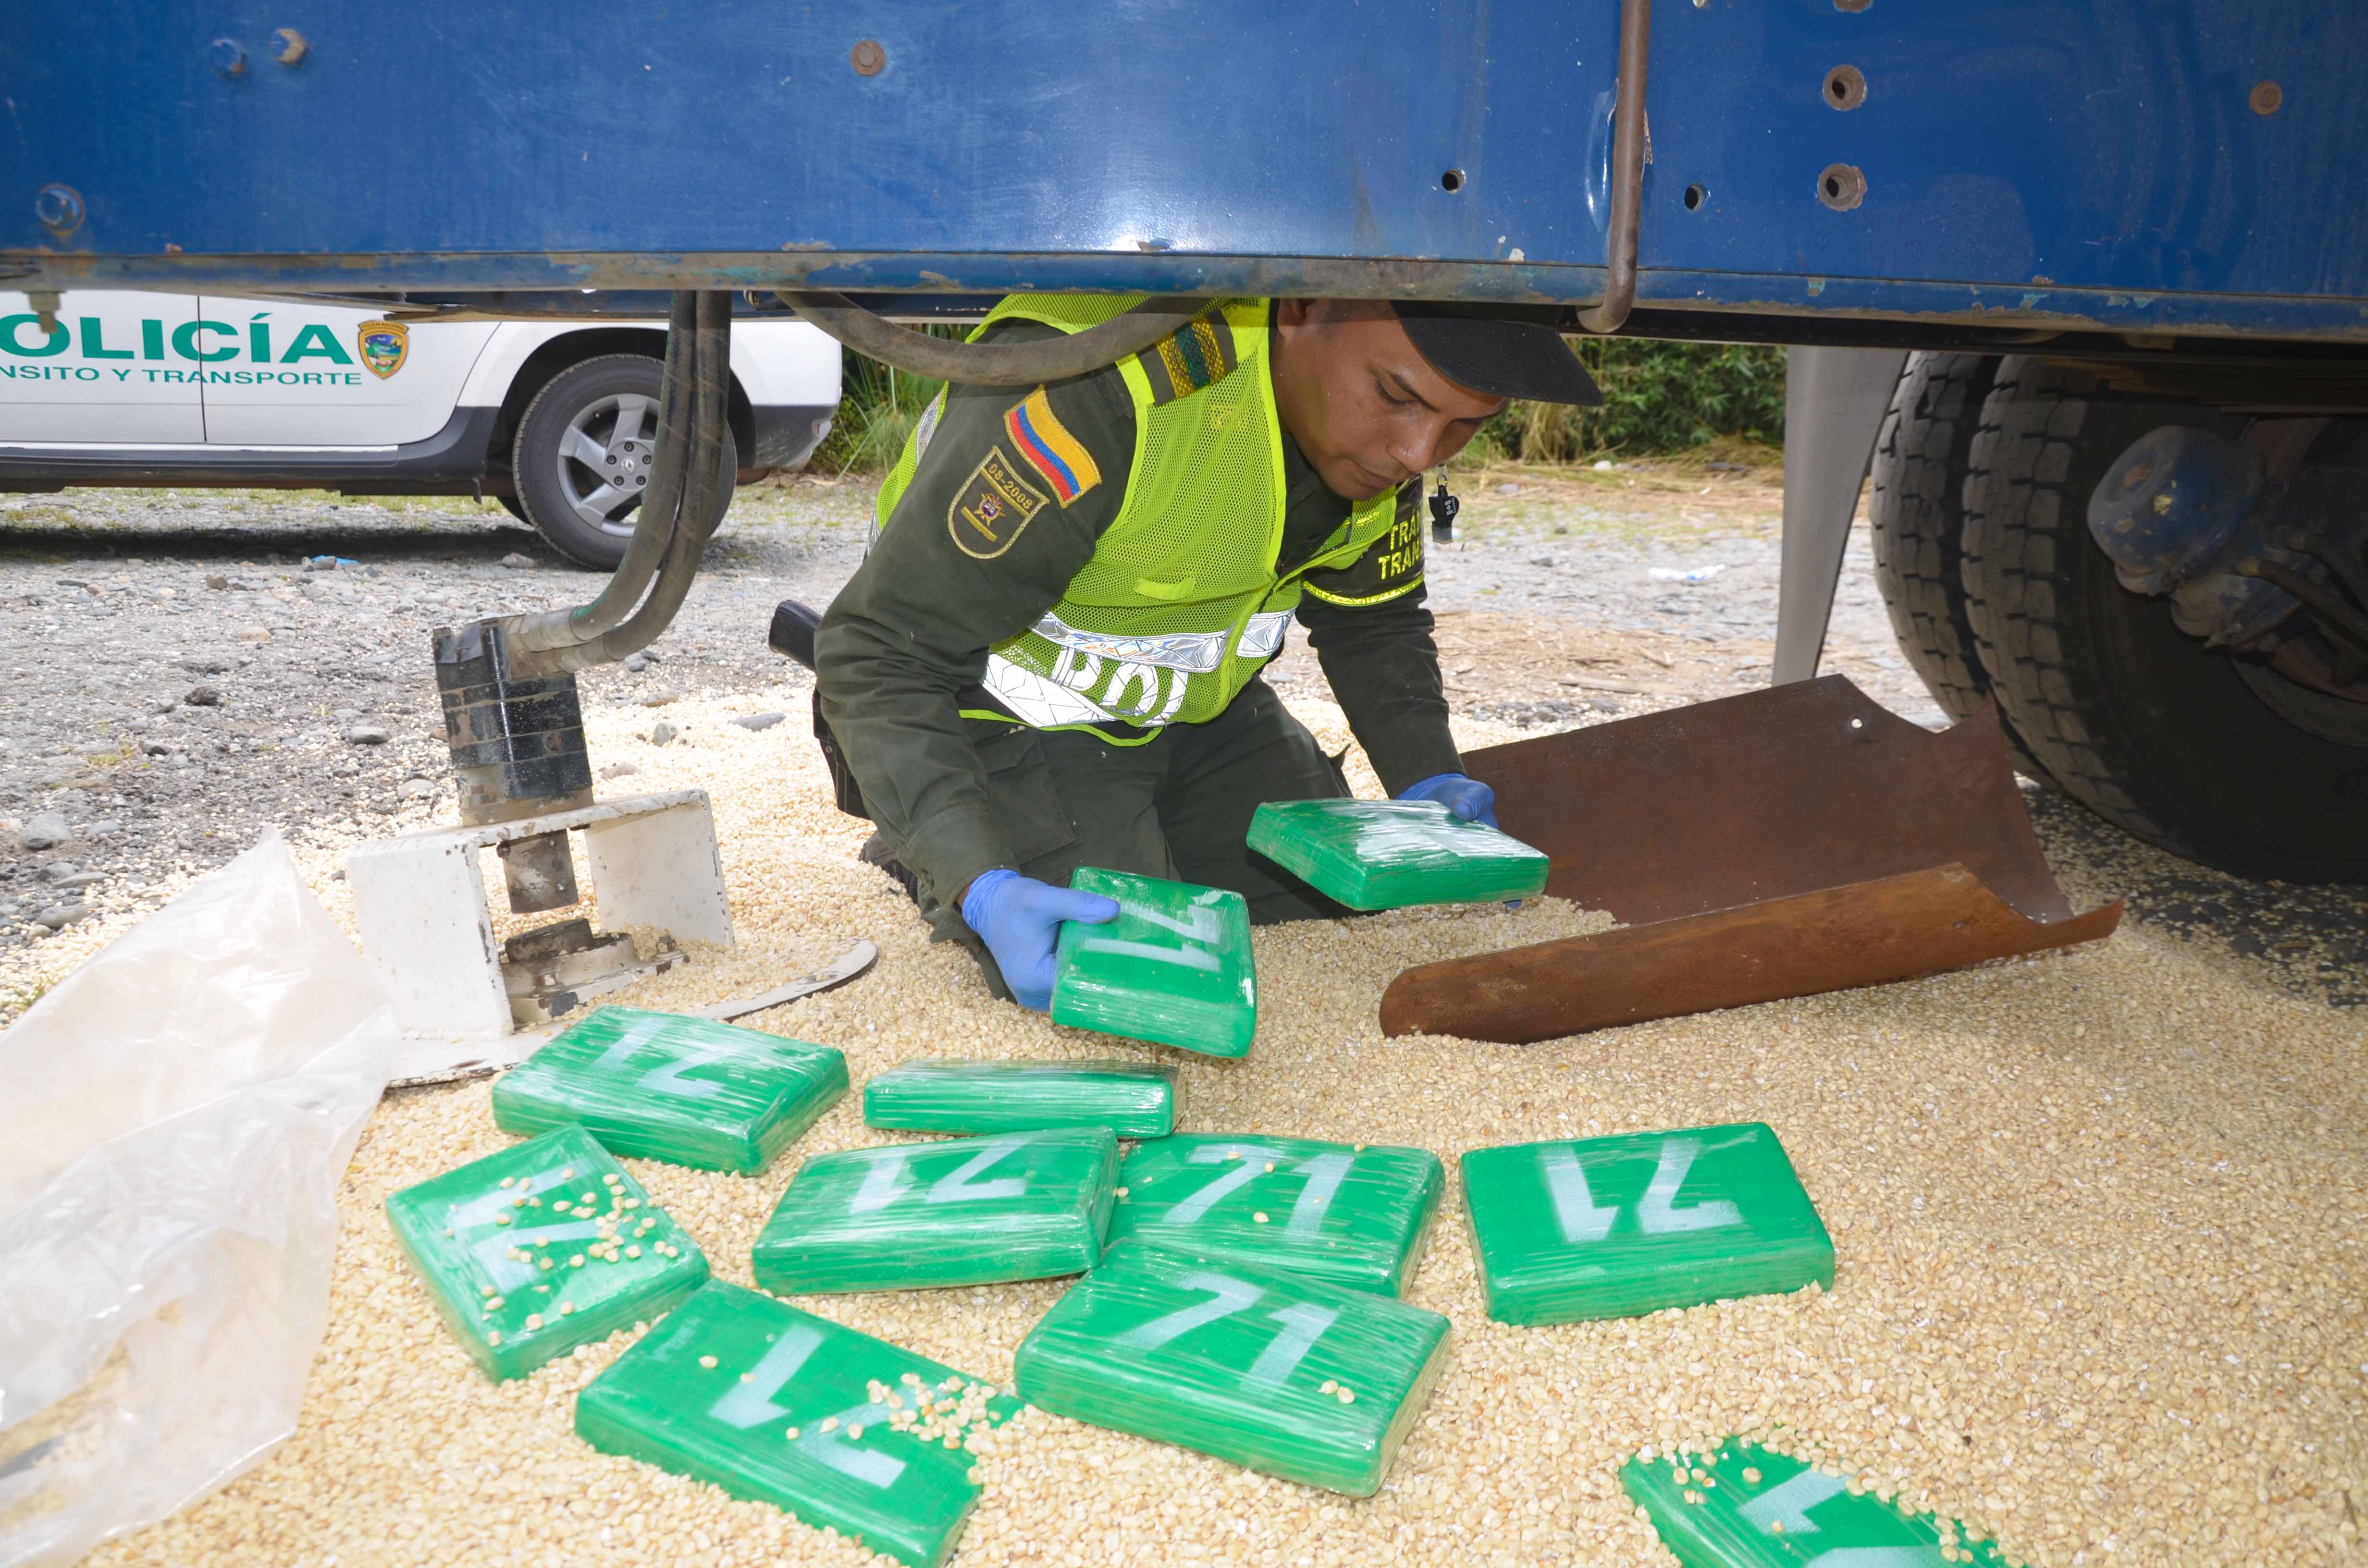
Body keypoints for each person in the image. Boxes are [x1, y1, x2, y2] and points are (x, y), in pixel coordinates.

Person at [778, 295, 1600, 1010]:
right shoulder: (1101, 392)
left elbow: (1375, 622)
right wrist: (974, 873)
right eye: (1396, 396)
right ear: (1298, 309)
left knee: (1334, 896)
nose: (1419, 454)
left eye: (1465, 426)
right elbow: (879, 649)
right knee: (1128, 974)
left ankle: (1113, 827)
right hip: (993, 713)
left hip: (1193, 715)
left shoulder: (1375, 443)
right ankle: (920, 841)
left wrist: (1426, 776)